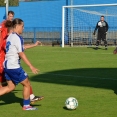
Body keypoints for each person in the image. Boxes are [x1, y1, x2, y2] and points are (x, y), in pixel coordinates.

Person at [0, 10, 44, 103]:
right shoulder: (14, 37)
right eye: (22, 26)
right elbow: (21, 52)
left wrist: (34, 45)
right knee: (26, 83)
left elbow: (20, 48)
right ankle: (27, 104)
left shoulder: (10, 37)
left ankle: (30, 98)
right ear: (17, 26)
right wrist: (31, 66)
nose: (23, 28)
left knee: (10, 87)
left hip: (7, 64)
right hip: (11, 64)